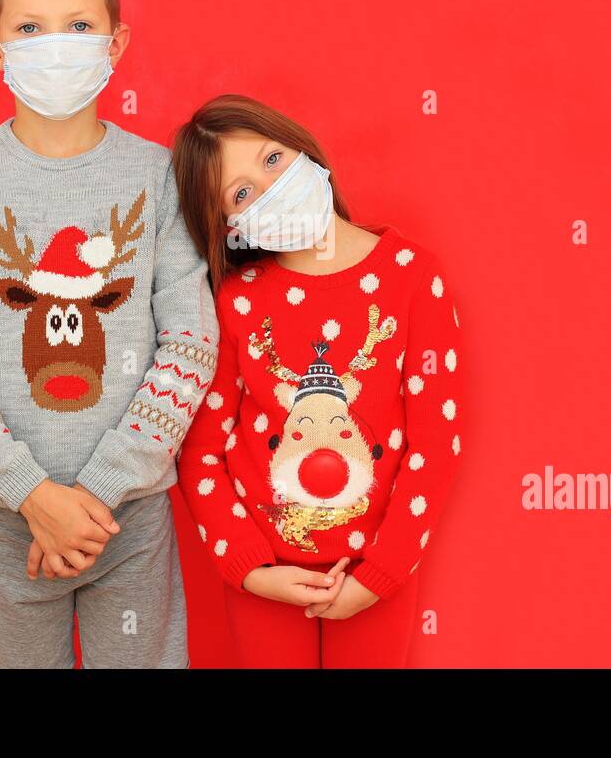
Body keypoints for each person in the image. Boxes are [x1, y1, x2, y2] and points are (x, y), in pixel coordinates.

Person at [0, 0, 218, 668]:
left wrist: (107, 487)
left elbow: (190, 342)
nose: (57, 45)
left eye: (79, 26)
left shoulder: (157, 177)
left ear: (115, 42)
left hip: (133, 520)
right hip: (6, 516)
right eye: (30, 28)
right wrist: (30, 494)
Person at [170, 94, 464, 667]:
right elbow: (201, 452)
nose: (269, 186)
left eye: (272, 160)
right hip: (267, 581)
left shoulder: (413, 277)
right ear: (228, 225)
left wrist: (381, 574)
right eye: (241, 192)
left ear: (302, 148)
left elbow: (436, 443)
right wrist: (250, 570)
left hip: (378, 580)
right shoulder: (238, 299)